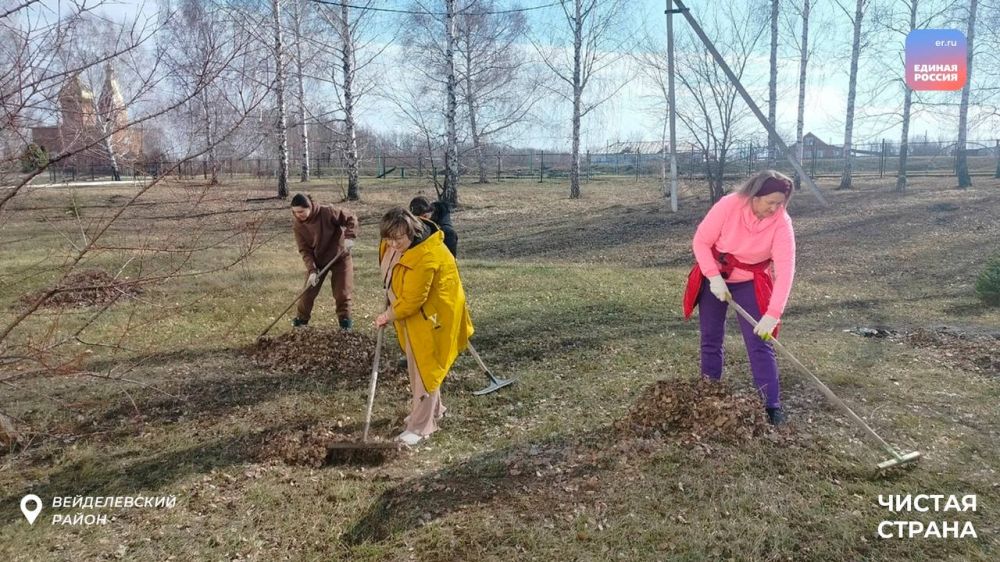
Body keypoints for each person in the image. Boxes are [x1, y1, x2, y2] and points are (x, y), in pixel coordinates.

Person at [682, 170, 796, 425]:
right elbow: (701, 241)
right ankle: (709, 391)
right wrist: (713, 277)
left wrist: (773, 314)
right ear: (755, 196)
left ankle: (770, 405)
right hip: (716, 278)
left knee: (760, 342)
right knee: (711, 337)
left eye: (780, 203)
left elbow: (786, 269)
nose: (775, 208)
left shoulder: (781, 222)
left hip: (750, 282)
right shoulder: (729, 205)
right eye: (771, 202)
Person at [375, 207, 473, 445]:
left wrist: (387, 315)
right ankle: (434, 410)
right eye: (388, 239)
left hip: (435, 316)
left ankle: (421, 427)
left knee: (425, 369)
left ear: (411, 231)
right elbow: (392, 272)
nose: (393, 244)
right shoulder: (391, 241)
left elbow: (413, 300)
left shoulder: (427, 256)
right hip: (413, 313)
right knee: (418, 366)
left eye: (398, 239)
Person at [290, 193, 358, 330]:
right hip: (318, 261)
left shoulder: (327, 212)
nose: (298, 215)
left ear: (309, 207)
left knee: (342, 293)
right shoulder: (298, 226)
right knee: (307, 293)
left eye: (301, 211)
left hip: (340, 257)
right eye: (295, 212)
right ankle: (301, 323)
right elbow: (304, 250)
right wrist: (312, 271)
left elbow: (351, 217)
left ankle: (345, 325)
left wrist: (349, 237)